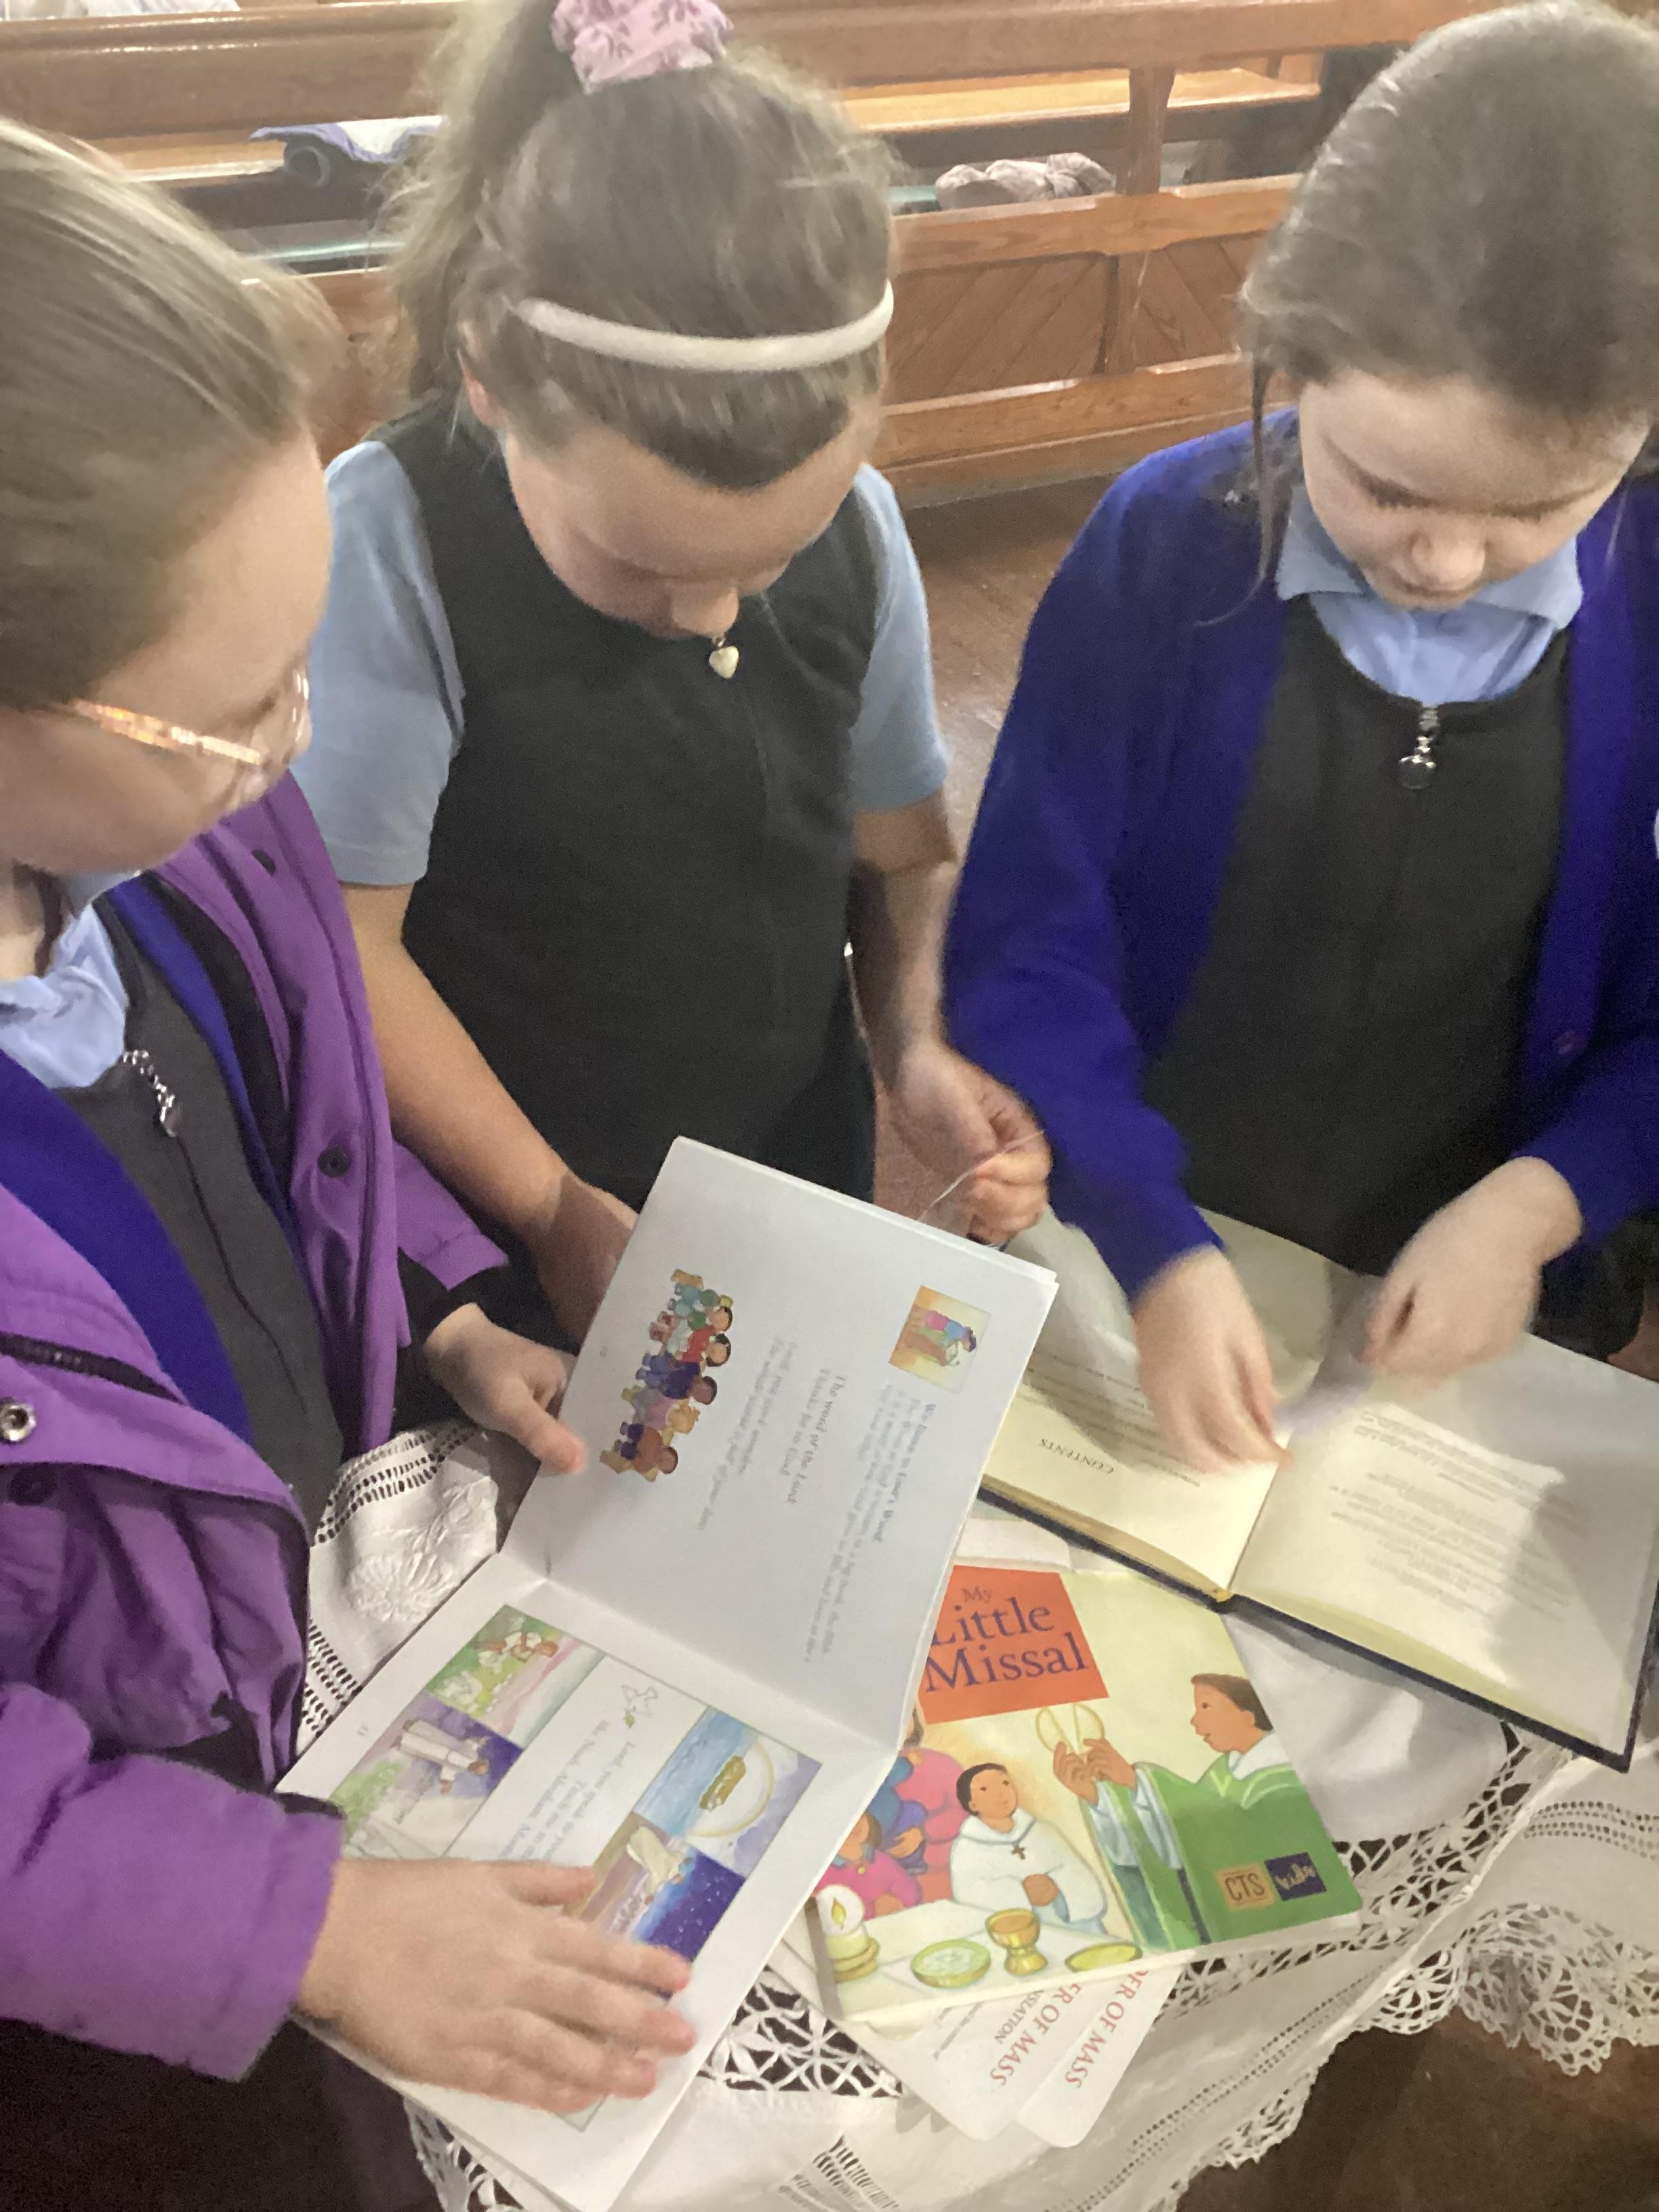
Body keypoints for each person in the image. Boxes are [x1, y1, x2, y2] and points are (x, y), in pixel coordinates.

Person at [0, 125, 695, 2209]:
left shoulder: (184, 847)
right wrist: (294, 1929)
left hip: (284, 1706)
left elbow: (289, 1144)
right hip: (98, 1968)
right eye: (237, 704)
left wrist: (442, 1313)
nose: (297, 744)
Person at [947, 1, 1659, 1471]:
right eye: (1383, 486)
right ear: (1286, 352)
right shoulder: (1162, 547)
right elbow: (1026, 939)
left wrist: (1540, 1203)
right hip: (1155, 1249)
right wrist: (1149, 1229)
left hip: (1471, 1305)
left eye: (1535, 510)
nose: (1445, 562)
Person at [296, 0, 1049, 1342]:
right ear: (490, 374)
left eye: (775, 555)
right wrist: (546, 1205)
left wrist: (914, 1041)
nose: (710, 610)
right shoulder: (394, 541)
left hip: (782, 1169)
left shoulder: (865, 527)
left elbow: (901, 857)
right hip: (498, 1216)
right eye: (637, 561)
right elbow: (351, 948)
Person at [1054, 1677, 1340, 1946]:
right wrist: (1099, 1797)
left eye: (1206, 1707)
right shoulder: (1223, 1773)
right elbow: (1178, 1845)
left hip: (1297, 1925)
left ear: (1248, 1715)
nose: (1194, 1721)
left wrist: (1135, 1781)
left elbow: (1230, 1836)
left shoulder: (1281, 1775)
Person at [947, 1764, 1105, 1933]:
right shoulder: (967, 1849)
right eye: (985, 1789)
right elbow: (969, 1897)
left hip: (1075, 1926)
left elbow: (1080, 1874)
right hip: (1015, 1935)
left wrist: (1057, 1888)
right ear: (972, 1805)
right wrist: (1021, 1893)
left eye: (1005, 1783)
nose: (1000, 1793)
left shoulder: (1042, 1831)